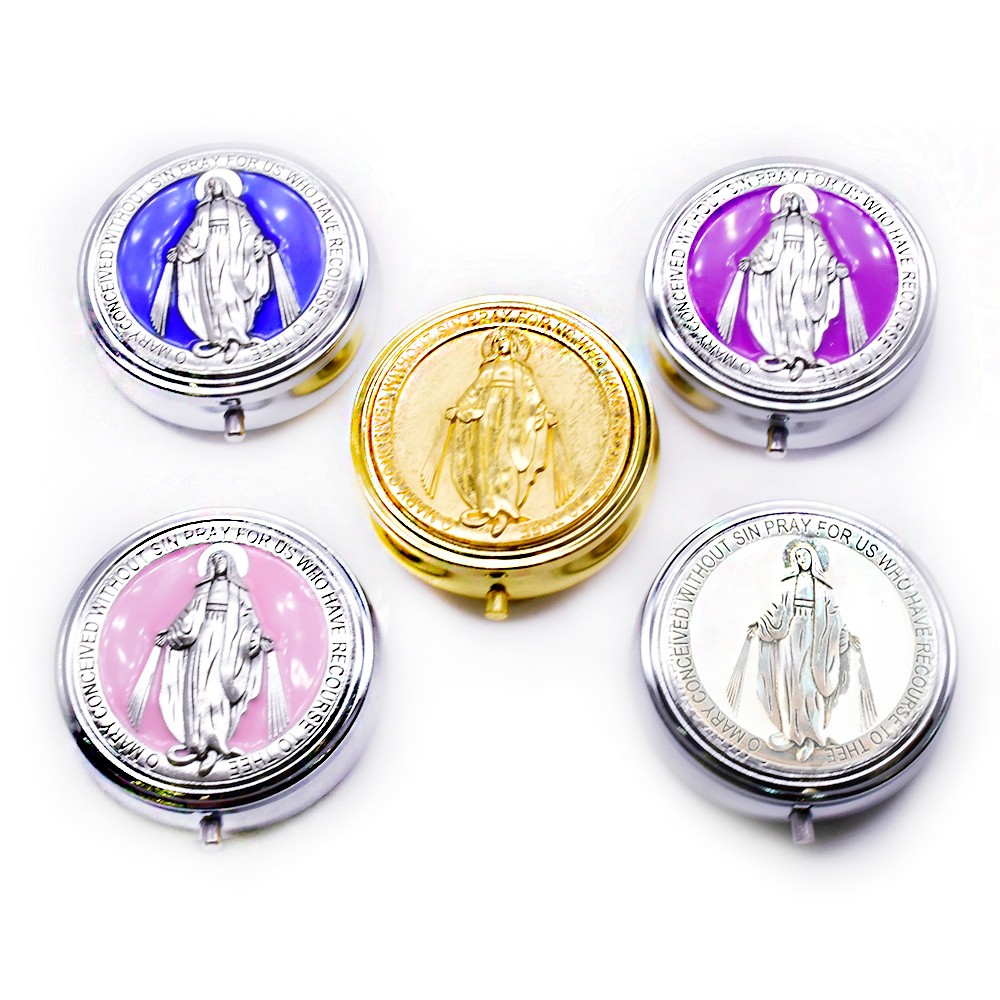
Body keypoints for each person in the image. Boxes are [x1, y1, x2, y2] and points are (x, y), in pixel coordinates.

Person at [128, 549, 287, 776]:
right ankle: (198, 744)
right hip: (202, 640)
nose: (218, 562)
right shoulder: (202, 590)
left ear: (230, 564)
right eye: (215, 559)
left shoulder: (239, 591)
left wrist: (256, 638)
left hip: (228, 644)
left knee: (216, 692)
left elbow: (250, 619)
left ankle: (217, 743)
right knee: (198, 689)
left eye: (222, 559)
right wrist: (172, 633)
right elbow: (188, 616)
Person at [726, 540, 876, 762]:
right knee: (788, 684)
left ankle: (811, 737)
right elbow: (777, 611)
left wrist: (844, 636)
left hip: (814, 640)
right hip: (788, 638)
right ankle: (791, 733)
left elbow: (834, 618)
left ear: (813, 559)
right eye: (798, 557)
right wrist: (761, 625)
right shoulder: (787, 585)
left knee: (808, 687)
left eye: (805, 556)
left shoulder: (824, 589)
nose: (801, 560)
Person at [421, 329, 573, 538]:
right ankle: (487, 509)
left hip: (514, 422)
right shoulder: (488, 369)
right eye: (498, 341)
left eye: (506, 340)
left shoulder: (520, 371)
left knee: (506, 462)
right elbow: (475, 391)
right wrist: (460, 408)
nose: (502, 344)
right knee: (485, 463)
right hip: (488, 420)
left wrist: (543, 413)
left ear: (513, 345)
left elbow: (533, 395)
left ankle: (505, 510)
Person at [715, 187, 867, 379]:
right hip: (779, 272)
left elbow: (823, 249)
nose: (789, 201)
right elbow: (766, 245)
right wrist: (753, 259)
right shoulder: (777, 224)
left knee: (799, 312)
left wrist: (832, 265)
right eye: (786, 199)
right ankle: (784, 355)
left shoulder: (812, 225)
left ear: (801, 202)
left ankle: (802, 356)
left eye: (793, 198)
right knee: (779, 310)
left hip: (806, 272)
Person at [150, 171, 300, 362]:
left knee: (230, 294)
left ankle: (235, 337)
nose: (213, 186)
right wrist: (180, 250)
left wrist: (261, 244)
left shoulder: (237, 208)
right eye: (210, 184)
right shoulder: (203, 210)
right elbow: (193, 233)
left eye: (216, 183)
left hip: (234, 255)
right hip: (209, 255)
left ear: (225, 185)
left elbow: (250, 231)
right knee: (213, 294)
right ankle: (219, 339)